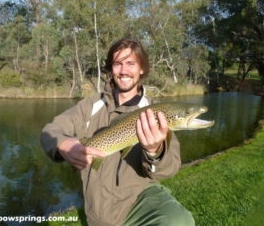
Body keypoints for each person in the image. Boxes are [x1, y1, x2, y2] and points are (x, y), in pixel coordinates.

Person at [40, 38, 195, 226]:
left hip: (140, 198)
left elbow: (168, 169)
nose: (123, 71)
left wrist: (155, 151)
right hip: (99, 208)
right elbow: (51, 131)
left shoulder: (156, 111)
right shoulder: (91, 106)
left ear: (142, 69)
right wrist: (63, 145)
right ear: (111, 69)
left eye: (131, 63)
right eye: (117, 64)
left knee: (179, 221)